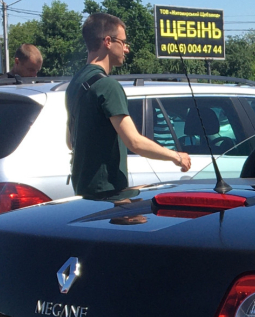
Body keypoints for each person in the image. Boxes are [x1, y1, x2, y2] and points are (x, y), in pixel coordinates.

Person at [67, 13, 190, 199]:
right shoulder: (108, 87)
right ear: (108, 41)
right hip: (108, 195)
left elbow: (70, 141)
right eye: (123, 42)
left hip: (83, 192)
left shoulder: (75, 83)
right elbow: (134, 142)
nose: (127, 49)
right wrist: (177, 157)